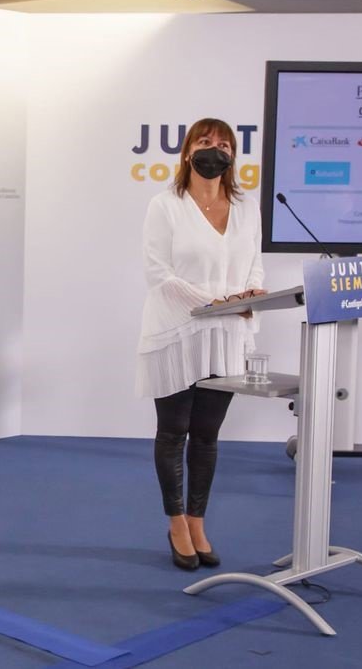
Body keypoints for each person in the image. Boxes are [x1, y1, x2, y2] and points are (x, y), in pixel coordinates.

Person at [135, 118, 265, 571]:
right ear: (188, 151)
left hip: (226, 335)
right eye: (206, 142)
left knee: (207, 435)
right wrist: (213, 303)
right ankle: (176, 524)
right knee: (174, 431)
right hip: (176, 330)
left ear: (233, 156)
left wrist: (249, 296)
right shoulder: (165, 205)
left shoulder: (247, 207)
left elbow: (255, 264)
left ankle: (197, 521)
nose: (216, 150)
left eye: (224, 144)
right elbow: (159, 273)